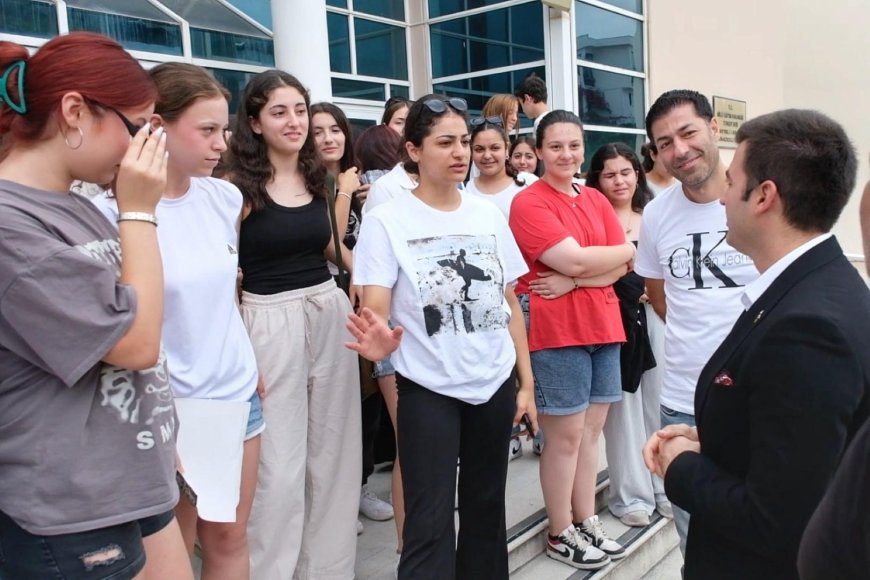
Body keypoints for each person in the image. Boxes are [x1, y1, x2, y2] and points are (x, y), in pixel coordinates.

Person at [644, 108, 870, 580]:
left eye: (732, 182)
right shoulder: (815, 287)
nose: (724, 198)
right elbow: (801, 452)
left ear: (764, 196)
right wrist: (717, 441)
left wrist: (680, 465)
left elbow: (776, 519)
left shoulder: (808, 331)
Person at [0, 33, 192, 579]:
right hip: (68, 505)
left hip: (129, 478)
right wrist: (138, 212)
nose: (146, 146)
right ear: (75, 111)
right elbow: (133, 343)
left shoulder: (75, 203)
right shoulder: (11, 222)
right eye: (139, 127)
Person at [347, 94, 537, 579]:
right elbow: (376, 305)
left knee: (486, 509)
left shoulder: (486, 214)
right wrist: (379, 340)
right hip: (428, 387)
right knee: (428, 521)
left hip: (492, 382)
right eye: (445, 142)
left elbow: (507, 300)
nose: (460, 153)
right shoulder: (387, 219)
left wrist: (526, 382)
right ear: (413, 149)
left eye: (464, 142)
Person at [90, 62, 262, 580]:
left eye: (224, 130)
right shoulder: (107, 211)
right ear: (156, 128)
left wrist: (250, 365)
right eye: (206, 130)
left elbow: (225, 294)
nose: (221, 143)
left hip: (236, 394)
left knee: (230, 537)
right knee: (173, 553)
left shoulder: (224, 198)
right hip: (164, 404)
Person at [229, 70, 362, 579]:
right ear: (255, 122)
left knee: (334, 456)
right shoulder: (234, 186)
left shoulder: (317, 178)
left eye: (300, 110)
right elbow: (223, 269)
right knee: (277, 470)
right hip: (266, 319)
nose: (295, 121)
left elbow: (331, 248)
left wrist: (373, 282)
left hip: (326, 312)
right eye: (279, 111)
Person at [633, 90, 758, 558]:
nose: (679, 149)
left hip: (756, 399)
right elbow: (659, 294)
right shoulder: (658, 215)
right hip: (684, 401)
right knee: (695, 541)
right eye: (664, 142)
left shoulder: (760, 198)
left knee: (762, 539)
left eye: (687, 133)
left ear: (714, 128)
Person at [509, 110, 635, 571]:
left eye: (575, 145)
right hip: (556, 331)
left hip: (603, 325)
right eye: (556, 146)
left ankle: (586, 519)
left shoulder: (596, 198)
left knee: (591, 434)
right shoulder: (530, 203)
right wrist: (595, 264)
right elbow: (581, 260)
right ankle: (560, 529)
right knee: (562, 439)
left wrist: (579, 278)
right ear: (538, 151)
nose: (567, 154)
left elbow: (624, 262)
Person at [585, 143, 662, 527]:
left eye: (626, 172)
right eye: (610, 174)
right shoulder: (591, 219)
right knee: (623, 412)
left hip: (660, 319)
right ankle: (631, 494)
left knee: (659, 404)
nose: (619, 180)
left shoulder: (655, 214)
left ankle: (665, 486)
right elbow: (584, 271)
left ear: (638, 173)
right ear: (597, 178)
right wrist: (632, 284)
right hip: (613, 321)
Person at [353, 120, 408, 550]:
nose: (458, 152)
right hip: (391, 335)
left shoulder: (463, 200)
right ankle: (410, 546)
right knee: (408, 438)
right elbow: (372, 287)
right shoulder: (386, 196)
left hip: (431, 341)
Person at [465, 115, 536, 220]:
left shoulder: (528, 183)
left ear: (507, 149)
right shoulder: (465, 191)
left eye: (495, 148)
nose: (487, 156)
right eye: (479, 149)